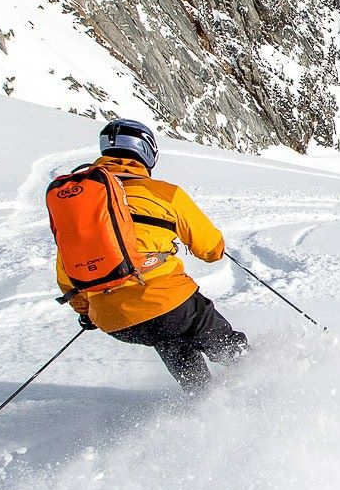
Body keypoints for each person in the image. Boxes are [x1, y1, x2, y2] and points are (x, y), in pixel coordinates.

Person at [57, 119, 247, 391]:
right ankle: (268, 387)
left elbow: (67, 270)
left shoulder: (81, 208)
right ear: (147, 152)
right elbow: (210, 249)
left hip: (113, 320)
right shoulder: (165, 194)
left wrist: (87, 310)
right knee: (228, 349)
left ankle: (206, 405)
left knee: (170, 341)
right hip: (168, 302)